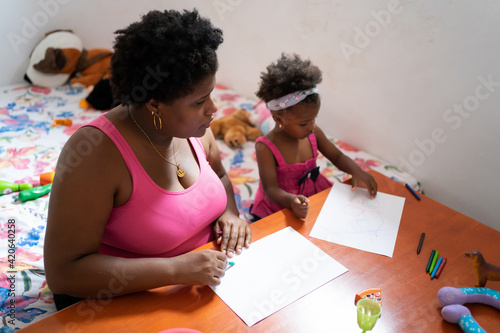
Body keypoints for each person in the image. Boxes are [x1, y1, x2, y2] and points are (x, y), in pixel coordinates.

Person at [44, 9, 251, 310]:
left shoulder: (197, 129)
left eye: (211, 94)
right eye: (199, 101)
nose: (214, 108)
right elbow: (64, 273)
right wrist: (174, 269)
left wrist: (229, 213)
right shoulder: (94, 155)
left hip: (206, 289)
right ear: (154, 103)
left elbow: (218, 176)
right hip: (126, 302)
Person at [250, 53, 378, 220]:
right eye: (304, 123)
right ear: (278, 119)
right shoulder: (265, 147)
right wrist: (292, 201)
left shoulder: (313, 133)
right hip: (283, 204)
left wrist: (357, 171)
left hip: (313, 192)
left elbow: (337, 156)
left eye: (314, 118)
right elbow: (271, 190)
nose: (312, 126)